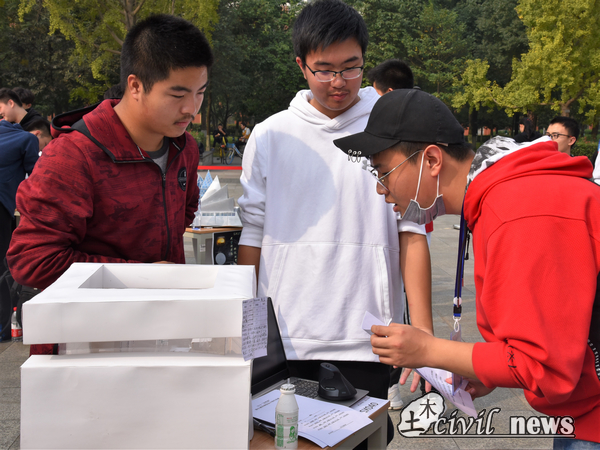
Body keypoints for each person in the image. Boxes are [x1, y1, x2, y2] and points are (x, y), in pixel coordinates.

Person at [334, 88, 600, 447]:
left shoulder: (520, 210)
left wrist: (427, 350)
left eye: (383, 172)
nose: (381, 189)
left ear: (432, 160)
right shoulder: (506, 196)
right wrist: (485, 368)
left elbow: (543, 365)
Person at [237, 0, 432, 436]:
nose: (339, 82)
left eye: (351, 67)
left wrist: (424, 335)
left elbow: (412, 231)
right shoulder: (271, 135)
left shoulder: (393, 131)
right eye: (324, 70)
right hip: (285, 339)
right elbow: (252, 233)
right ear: (301, 65)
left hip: (369, 338)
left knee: (362, 443)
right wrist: (249, 330)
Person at [7, 14, 212, 297]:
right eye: (178, 95)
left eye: (200, 92)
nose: (191, 108)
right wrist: (142, 276)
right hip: (92, 321)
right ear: (136, 86)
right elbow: (34, 261)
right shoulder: (74, 155)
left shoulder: (184, 147)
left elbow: (185, 212)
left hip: (165, 315)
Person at [0, 113, 42, 340]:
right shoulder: (27, 139)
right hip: (5, 205)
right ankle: (6, 325)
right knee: (4, 264)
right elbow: (36, 175)